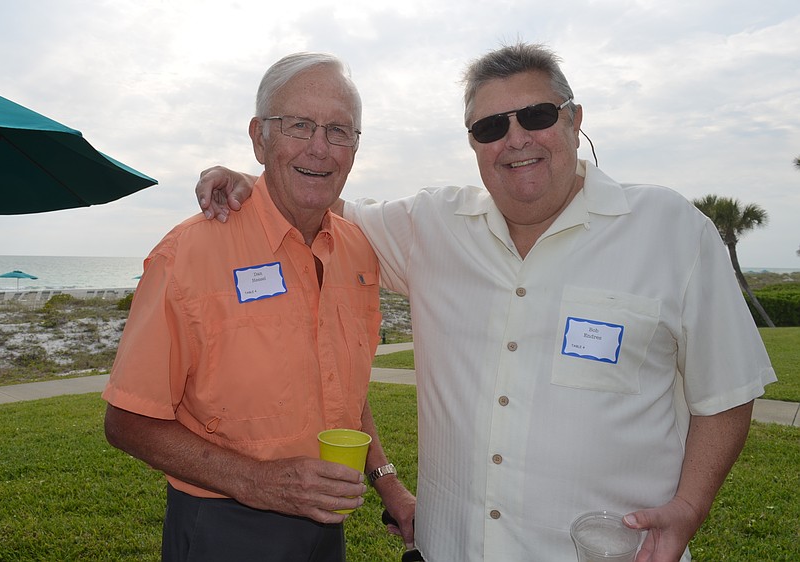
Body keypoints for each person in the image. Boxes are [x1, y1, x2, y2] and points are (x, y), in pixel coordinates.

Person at [194, 43, 776, 561]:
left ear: (574, 121)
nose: (516, 138)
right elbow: (316, 199)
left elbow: (726, 392)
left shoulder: (670, 230)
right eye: (491, 126)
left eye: (538, 116)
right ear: (473, 143)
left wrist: (691, 507)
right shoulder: (433, 226)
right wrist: (250, 182)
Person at [103, 52, 415, 562]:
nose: (321, 148)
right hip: (222, 525)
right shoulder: (189, 254)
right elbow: (126, 421)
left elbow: (343, 390)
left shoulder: (358, 250)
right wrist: (258, 481)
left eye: (340, 130)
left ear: (356, 148)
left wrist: (388, 484)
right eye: (299, 125)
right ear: (258, 137)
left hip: (323, 526)